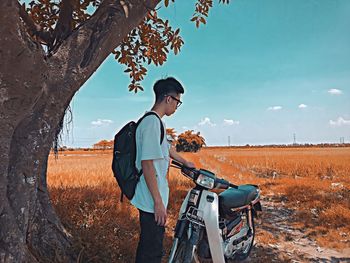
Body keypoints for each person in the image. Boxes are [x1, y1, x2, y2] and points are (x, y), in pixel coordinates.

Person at [131, 77, 195, 263]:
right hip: (151, 200)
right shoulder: (151, 123)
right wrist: (158, 202)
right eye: (177, 102)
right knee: (151, 251)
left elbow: (166, 147)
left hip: (153, 198)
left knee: (149, 246)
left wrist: (185, 162)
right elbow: (147, 164)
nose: (177, 106)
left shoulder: (156, 122)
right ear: (168, 99)